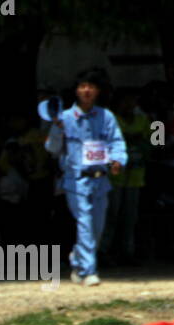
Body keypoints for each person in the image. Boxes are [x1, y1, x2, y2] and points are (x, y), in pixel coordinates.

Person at [44, 68, 127, 285]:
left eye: (91, 86)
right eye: (82, 86)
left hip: (101, 179)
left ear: (98, 90)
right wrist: (56, 128)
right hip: (75, 180)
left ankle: (78, 259)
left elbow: (116, 142)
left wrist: (118, 160)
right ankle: (89, 271)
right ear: (77, 91)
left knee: (97, 226)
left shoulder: (106, 116)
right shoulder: (65, 117)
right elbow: (52, 149)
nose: (87, 90)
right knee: (85, 222)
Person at [100, 88, 148, 265]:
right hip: (114, 176)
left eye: (133, 101)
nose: (129, 105)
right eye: (125, 101)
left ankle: (127, 252)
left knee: (130, 216)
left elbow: (159, 141)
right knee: (111, 214)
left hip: (136, 176)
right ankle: (103, 251)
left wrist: (143, 142)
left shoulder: (145, 120)